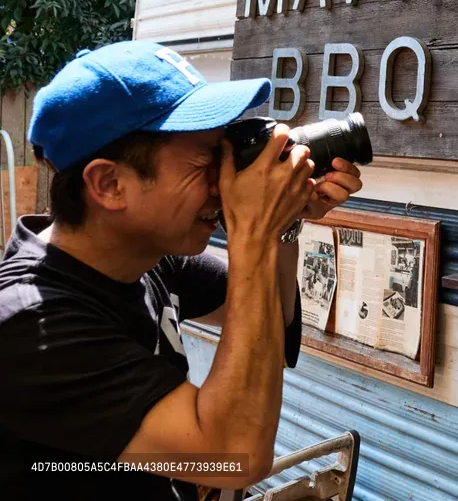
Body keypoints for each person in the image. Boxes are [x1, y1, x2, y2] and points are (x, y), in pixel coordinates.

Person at [0, 41, 364, 500]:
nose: (224, 180)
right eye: (205, 158)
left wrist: (283, 223)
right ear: (110, 184)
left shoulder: (146, 260)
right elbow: (233, 457)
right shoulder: (31, 327)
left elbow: (267, 314)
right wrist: (252, 230)